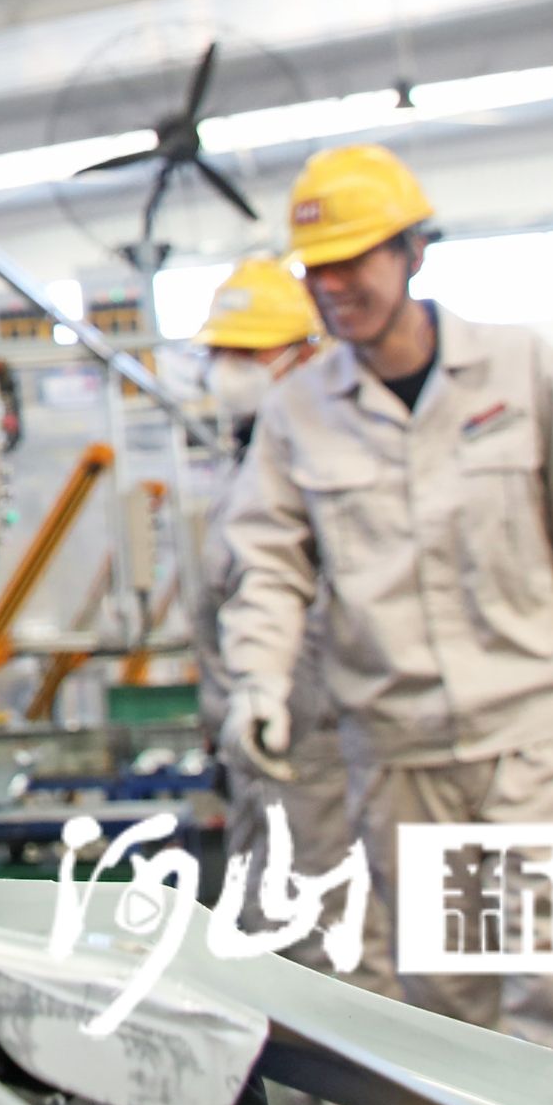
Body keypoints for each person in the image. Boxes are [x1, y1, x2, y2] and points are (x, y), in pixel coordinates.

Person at [217, 144, 553, 1074]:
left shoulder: (519, 373)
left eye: (355, 262)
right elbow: (269, 569)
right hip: (403, 759)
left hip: (542, 737)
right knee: (457, 1026)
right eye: (318, 269)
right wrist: (259, 682)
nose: (334, 287)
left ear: (414, 252)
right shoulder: (299, 415)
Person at [185, 260, 351, 936]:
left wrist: (274, 703)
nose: (228, 370)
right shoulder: (251, 457)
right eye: (220, 353)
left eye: (247, 353)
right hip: (258, 747)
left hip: (310, 745)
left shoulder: (327, 457)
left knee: (319, 941)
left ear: (304, 354)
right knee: (271, 929)